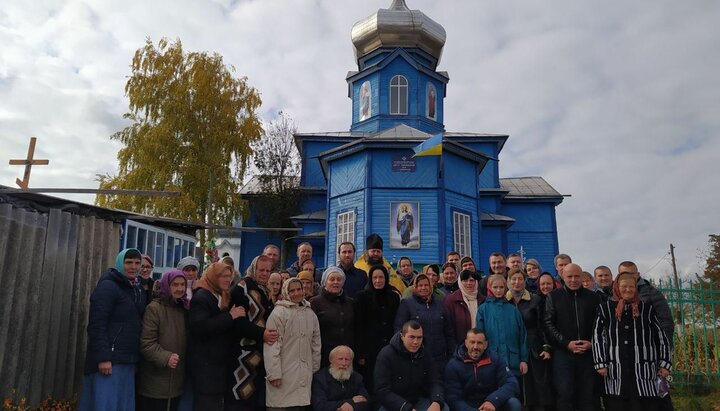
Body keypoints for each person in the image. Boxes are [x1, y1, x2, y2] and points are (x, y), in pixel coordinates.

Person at [79, 248, 147, 411]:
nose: (133, 267)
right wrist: (103, 357)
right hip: (109, 362)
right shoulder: (108, 286)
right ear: (119, 263)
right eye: (128, 262)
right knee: (106, 404)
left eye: (137, 263)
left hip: (127, 359)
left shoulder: (136, 288)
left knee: (122, 405)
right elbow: (97, 324)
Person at [592, 272, 672, 411]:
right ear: (617, 287)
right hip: (616, 372)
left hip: (644, 373)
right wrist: (600, 363)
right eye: (624, 286)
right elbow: (598, 337)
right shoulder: (605, 309)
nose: (628, 290)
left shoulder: (647, 310)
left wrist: (665, 364)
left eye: (631, 286)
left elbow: (660, 337)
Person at [617, 261, 675, 411]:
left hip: (653, 353)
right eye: (624, 274)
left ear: (638, 274)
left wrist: (666, 353)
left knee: (660, 393)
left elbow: (665, 322)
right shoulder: (617, 296)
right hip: (630, 356)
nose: (628, 277)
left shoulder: (651, 293)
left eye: (631, 273)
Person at [187, 262, 245, 411]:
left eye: (230, 277)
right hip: (206, 366)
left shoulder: (220, 295)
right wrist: (229, 317)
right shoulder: (202, 296)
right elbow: (200, 326)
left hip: (216, 365)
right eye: (223, 276)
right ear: (213, 277)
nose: (228, 280)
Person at [543, 263, 601, 411]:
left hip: (588, 354)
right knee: (564, 394)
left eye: (577, 276)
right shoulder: (554, 297)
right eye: (570, 276)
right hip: (563, 354)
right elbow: (548, 324)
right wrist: (565, 343)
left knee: (588, 395)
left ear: (582, 277)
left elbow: (600, 325)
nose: (573, 279)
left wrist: (592, 343)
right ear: (562, 276)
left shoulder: (593, 298)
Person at [227, 255, 278, 410]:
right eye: (261, 270)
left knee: (257, 399)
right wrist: (261, 333)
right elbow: (238, 323)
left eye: (268, 271)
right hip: (242, 354)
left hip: (261, 354)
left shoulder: (266, 291)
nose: (264, 273)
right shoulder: (242, 288)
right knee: (241, 397)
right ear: (253, 269)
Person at [264, 278, 322, 410]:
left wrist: (314, 370)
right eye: (292, 291)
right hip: (283, 375)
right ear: (286, 292)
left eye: (299, 289)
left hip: (304, 376)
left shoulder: (310, 314)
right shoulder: (279, 313)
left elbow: (316, 345)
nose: (296, 293)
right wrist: (274, 373)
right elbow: (272, 345)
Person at [137, 270, 189, 411]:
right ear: (166, 285)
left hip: (176, 383)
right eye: (175, 285)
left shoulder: (184, 308)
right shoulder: (154, 309)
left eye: (182, 284)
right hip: (155, 384)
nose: (179, 289)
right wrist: (166, 357)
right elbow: (147, 343)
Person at [374, 321, 447, 411]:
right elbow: (382, 390)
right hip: (393, 404)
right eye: (411, 337)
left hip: (417, 400)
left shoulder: (425, 354)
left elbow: (435, 381)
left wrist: (436, 402)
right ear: (402, 336)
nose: (416, 342)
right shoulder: (386, 355)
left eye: (419, 337)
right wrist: (406, 408)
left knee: (444, 408)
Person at [506, 269, 553, 410]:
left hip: (533, 347)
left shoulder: (535, 299)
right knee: (516, 388)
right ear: (508, 281)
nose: (517, 282)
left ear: (524, 280)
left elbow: (543, 324)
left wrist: (546, 347)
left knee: (537, 388)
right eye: (513, 279)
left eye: (520, 279)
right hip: (512, 348)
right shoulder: (503, 300)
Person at [445, 329, 522, 411]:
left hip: (492, 406)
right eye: (472, 342)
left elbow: (512, 383)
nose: (475, 347)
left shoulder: (496, 359)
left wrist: (493, 401)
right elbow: (453, 398)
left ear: (485, 345)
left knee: (514, 403)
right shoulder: (453, 365)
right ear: (466, 343)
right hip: (467, 407)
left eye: (479, 343)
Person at [394, 273, 454, 375]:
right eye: (420, 285)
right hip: (417, 358)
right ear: (415, 287)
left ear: (431, 286)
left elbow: (449, 331)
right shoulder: (407, 304)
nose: (423, 288)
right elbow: (399, 329)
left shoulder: (440, 305)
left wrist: (451, 354)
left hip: (440, 359)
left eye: (426, 285)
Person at [354, 265, 401, 392]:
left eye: (381, 277)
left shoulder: (394, 297)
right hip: (369, 349)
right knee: (370, 383)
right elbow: (358, 326)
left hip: (388, 346)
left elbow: (396, 323)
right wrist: (360, 353)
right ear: (370, 279)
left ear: (386, 278)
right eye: (375, 277)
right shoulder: (361, 297)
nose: (378, 281)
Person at [477, 274, 528, 380]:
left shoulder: (513, 309)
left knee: (513, 392)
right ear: (489, 288)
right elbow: (480, 336)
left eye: (501, 287)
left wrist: (523, 359)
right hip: (491, 360)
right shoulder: (483, 309)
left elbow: (522, 336)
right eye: (495, 287)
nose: (499, 290)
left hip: (513, 361)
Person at [311, 266, 356, 368]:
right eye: (332, 279)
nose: (336, 282)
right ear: (325, 282)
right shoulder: (315, 302)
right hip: (325, 355)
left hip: (346, 356)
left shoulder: (351, 302)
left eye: (339, 280)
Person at [312, 346, 370, 411]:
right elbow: (320, 406)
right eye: (340, 359)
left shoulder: (357, 378)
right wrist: (351, 402)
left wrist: (352, 407)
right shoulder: (320, 378)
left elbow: (366, 401)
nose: (344, 363)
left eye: (347, 359)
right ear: (331, 360)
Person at [444, 269, 484, 347]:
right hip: (460, 347)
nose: (468, 283)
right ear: (460, 282)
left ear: (476, 282)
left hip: (480, 345)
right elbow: (449, 328)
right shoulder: (451, 300)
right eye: (465, 280)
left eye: (471, 280)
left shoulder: (482, 300)